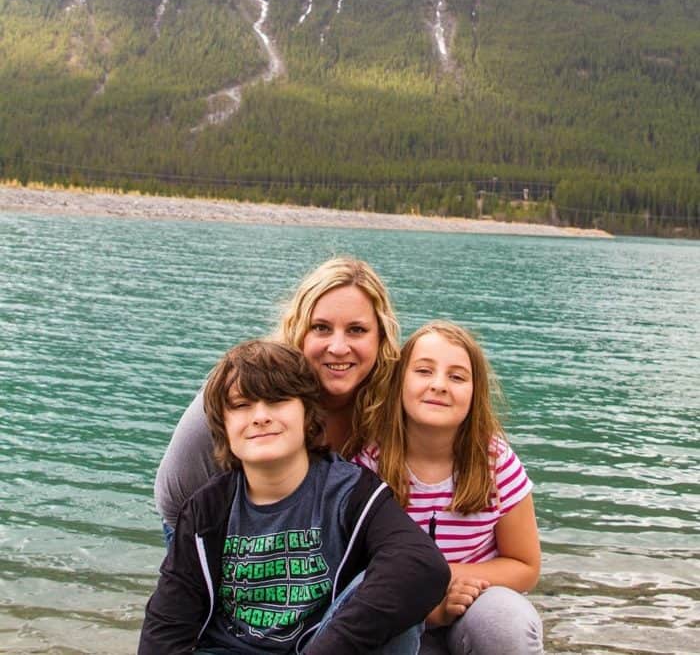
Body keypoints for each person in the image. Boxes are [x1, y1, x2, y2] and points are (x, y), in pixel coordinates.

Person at [139, 340, 450, 654]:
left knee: (396, 594)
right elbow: (166, 625)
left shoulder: (350, 492)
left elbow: (422, 565)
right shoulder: (208, 508)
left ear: (307, 413)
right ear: (223, 424)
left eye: (277, 401)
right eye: (242, 405)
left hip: (320, 646)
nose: (260, 416)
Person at [154, 257, 400, 536]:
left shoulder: (397, 397)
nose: (339, 347)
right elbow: (175, 501)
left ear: (380, 337)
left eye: (357, 330)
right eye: (321, 328)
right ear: (299, 330)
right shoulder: (242, 389)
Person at [356, 321, 544, 655]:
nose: (439, 385)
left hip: (474, 606)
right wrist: (429, 594)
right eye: (424, 371)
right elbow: (355, 567)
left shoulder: (494, 461)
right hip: (399, 610)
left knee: (505, 621)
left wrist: (456, 579)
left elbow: (525, 565)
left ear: (475, 393)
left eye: (457, 377)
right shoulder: (371, 463)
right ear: (399, 382)